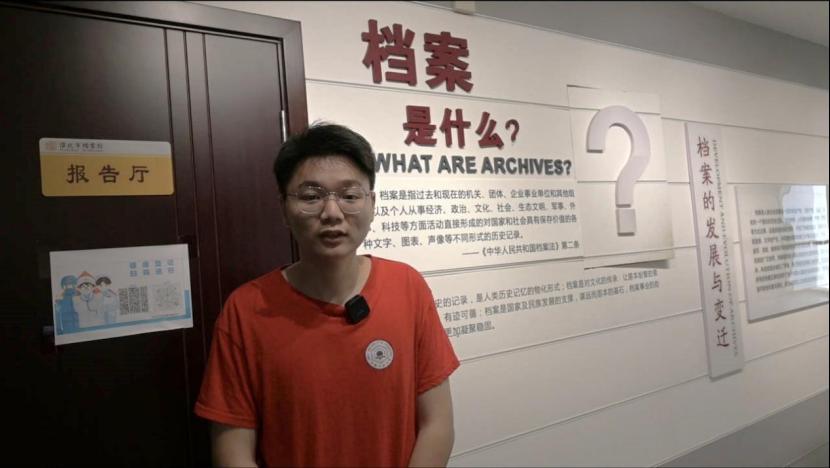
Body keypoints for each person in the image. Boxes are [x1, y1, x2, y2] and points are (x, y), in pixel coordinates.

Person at [195, 123, 460, 467]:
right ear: (284, 208)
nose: (332, 213)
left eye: (349, 196)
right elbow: (233, 451)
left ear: (372, 203)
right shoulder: (246, 310)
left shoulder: (407, 286)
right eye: (311, 196)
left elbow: (437, 423)